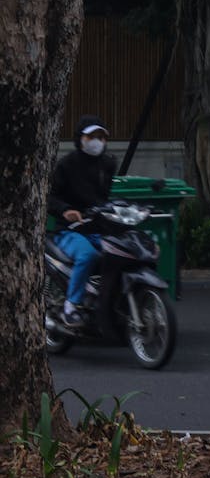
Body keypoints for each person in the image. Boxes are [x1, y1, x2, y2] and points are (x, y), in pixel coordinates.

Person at [47, 115, 117, 328]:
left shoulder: (108, 163)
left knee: (121, 252)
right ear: (80, 138)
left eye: (101, 136)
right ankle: (71, 306)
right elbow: (49, 197)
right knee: (87, 255)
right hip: (69, 230)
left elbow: (105, 199)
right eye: (92, 136)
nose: (97, 141)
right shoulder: (66, 165)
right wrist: (66, 210)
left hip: (98, 228)